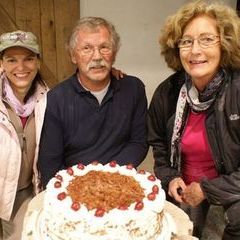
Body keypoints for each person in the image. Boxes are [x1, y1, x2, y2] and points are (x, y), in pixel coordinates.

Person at [147, 1, 240, 239]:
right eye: (186, 41)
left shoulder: (237, 91)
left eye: (207, 39)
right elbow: (158, 147)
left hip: (229, 197)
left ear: (225, 45)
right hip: (180, 193)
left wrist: (207, 190)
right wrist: (169, 178)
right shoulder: (167, 92)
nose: (195, 50)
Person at [38, 17, 148, 188]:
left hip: (120, 180)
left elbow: (138, 143)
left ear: (115, 53)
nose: (97, 57)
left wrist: (108, 176)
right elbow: (50, 162)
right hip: (74, 187)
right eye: (87, 48)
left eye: (104, 47)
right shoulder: (55, 99)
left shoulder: (133, 89)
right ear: (73, 56)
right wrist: (79, 187)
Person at [0, 30, 48, 239]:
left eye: (28, 59)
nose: (21, 68)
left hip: (24, 194)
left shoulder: (49, 100)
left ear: (38, 61)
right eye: (12, 60)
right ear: (1, 63)